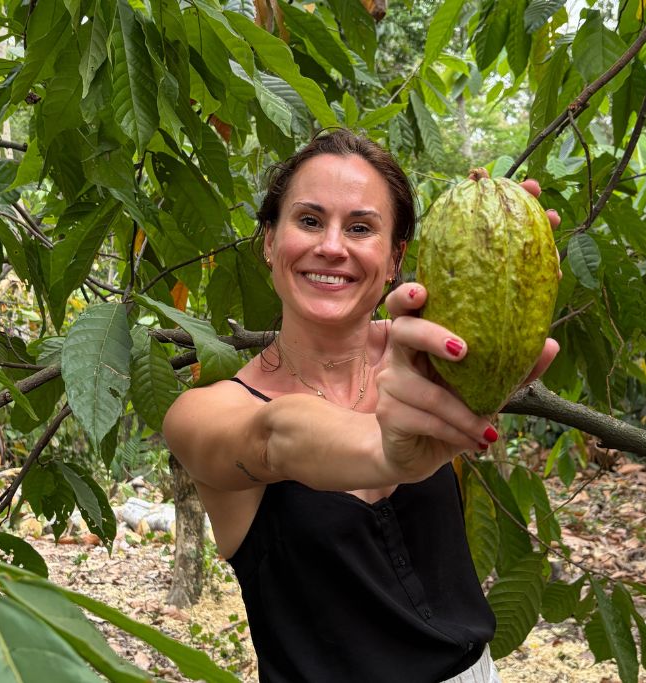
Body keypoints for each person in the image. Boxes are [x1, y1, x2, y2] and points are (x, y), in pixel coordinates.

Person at [163, 129, 560, 683]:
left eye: (360, 228)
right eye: (309, 220)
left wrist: (512, 272)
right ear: (269, 242)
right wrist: (385, 452)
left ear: (395, 258)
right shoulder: (204, 412)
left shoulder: (429, 359)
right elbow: (276, 436)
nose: (332, 246)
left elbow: (505, 316)